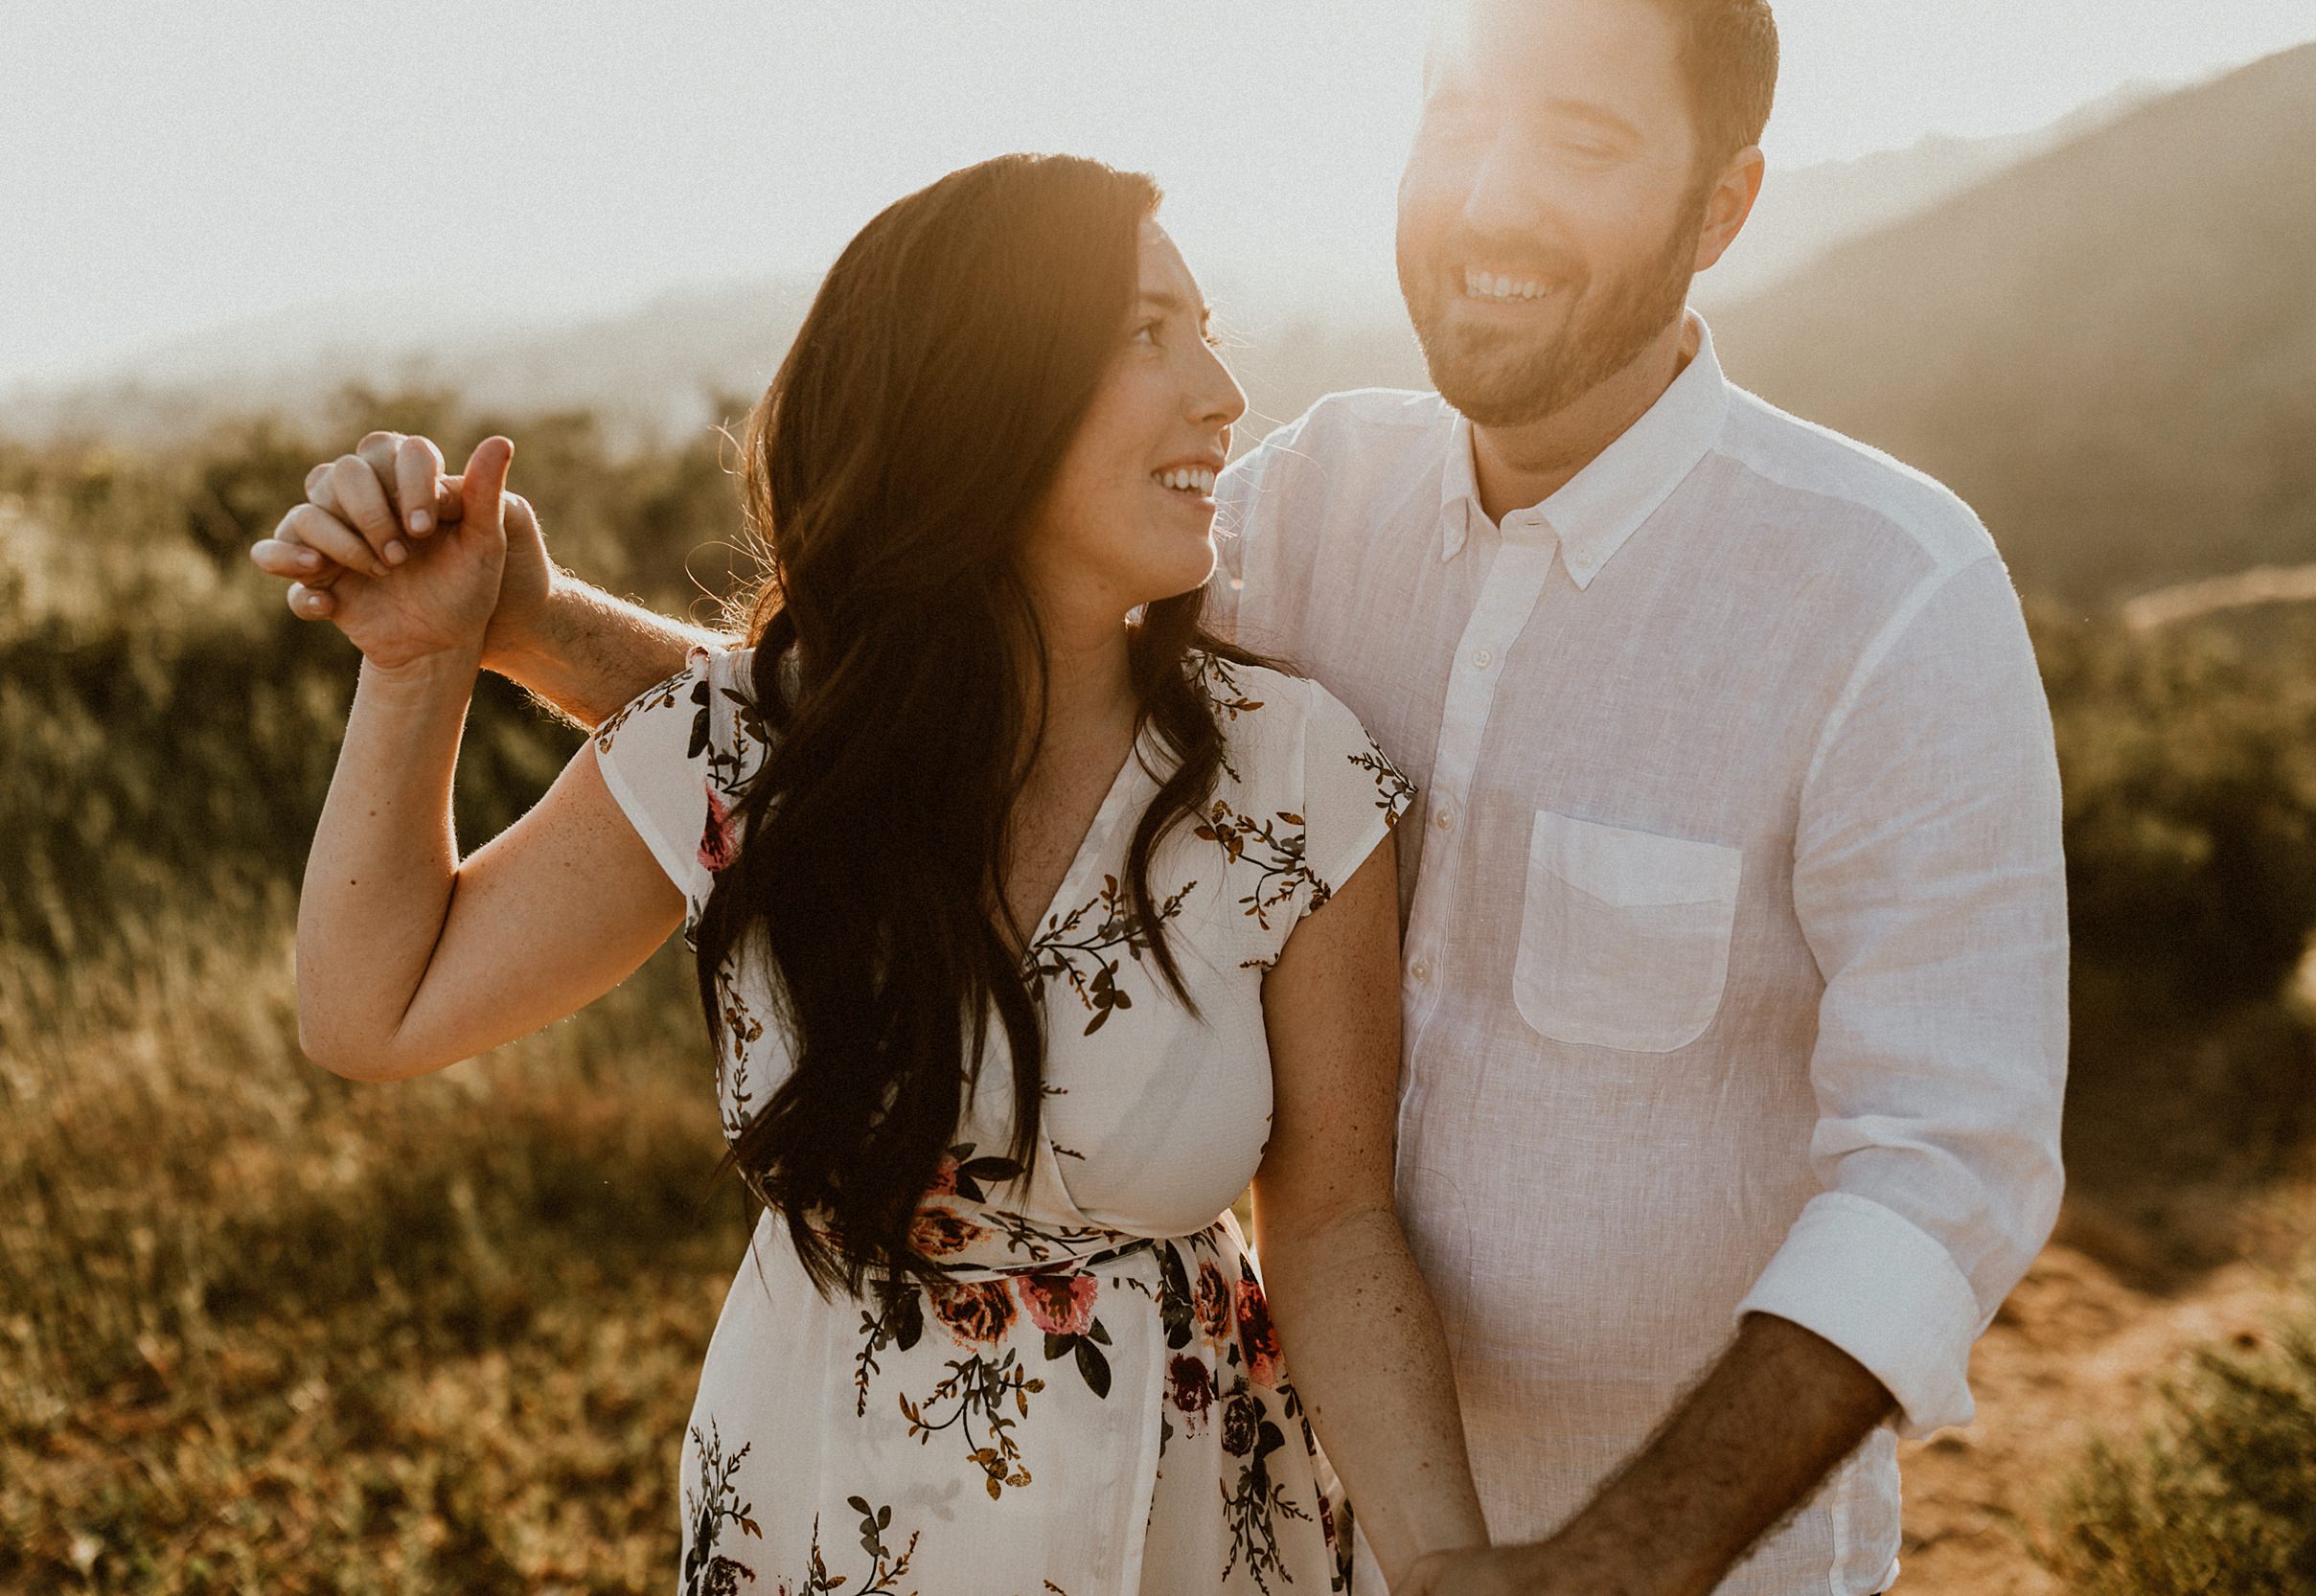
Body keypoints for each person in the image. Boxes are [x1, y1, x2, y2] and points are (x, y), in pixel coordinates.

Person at [262, 2, 2072, 1592]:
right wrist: (497, 629)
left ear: (1725, 203)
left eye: (1583, 138)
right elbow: (907, 713)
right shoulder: (1305, 505)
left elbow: (1945, 1162)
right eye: (1457, 116)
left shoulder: (1881, 596)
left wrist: (1613, 1556)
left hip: (1644, 1553)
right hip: (1054, 1514)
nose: (1492, 190)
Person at [276, 151, 1489, 1596]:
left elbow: (1338, 1222)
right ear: (983, 395)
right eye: (1147, 335)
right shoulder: (751, 751)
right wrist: (421, 662)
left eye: (1207, 330)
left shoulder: (1292, 773)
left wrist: (1456, 1566)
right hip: (830, 1517)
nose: (1224, 391)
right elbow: (376, 1010)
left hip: (1189, 1524)